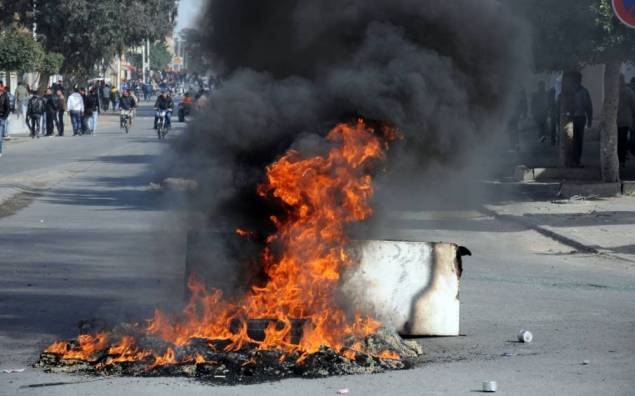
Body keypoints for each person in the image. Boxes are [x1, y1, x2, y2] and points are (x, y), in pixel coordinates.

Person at [572, 72, 593, 167]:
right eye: (576, 79)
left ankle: (577, 160)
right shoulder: (569, 92)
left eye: (578, 79)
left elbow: (589, 107)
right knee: (572, 140)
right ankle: (574, 159)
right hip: (571, 119)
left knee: (579, 140)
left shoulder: (584, 92)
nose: (577, 81)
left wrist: (589, 120)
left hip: (580, 118)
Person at [617, 74, 635, 168]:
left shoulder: (614, 91)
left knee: (620, 141)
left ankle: (620, 159)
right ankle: (621, 160)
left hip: (619, 120)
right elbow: (633, 106)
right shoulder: (628, 91)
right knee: (622, 140)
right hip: (624, 120)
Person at [0, 82, 10, 157]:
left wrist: (4, 118)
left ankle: (0, 151)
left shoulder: (5, 96)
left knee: (0, 136)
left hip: (1, 117)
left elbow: (8, 108)